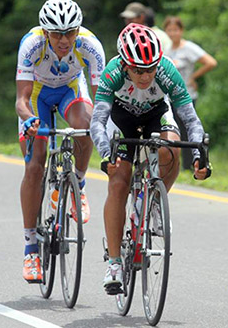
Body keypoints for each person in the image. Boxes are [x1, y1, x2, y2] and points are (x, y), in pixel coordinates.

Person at [90, 23, 210, 294]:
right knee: (119, 181)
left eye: (150, 69)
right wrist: (106, 152)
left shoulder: (167, 71)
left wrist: (200, 157)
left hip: (156, 113)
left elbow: (190, 119)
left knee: (171, 148)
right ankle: (114, 262)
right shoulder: (112, 74)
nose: (145, 76)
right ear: (124, 65)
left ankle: (154, 200)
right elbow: (97, 121)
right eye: (137, 71)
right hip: (121, 119)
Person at [15, 0, 105, 283]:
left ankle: (77, 183)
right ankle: (31, 248)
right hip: (38, 98)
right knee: (34, 165)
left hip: (70, 90)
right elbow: (21, 100)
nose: (64, 40)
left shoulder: (90, 45)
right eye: (57, 34)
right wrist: (29, 120)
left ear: (78, 31)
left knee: (87, 124)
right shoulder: (31, 44)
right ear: (46, 32)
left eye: (70, 32)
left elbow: (102, 99)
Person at [163, 16, 217, 169]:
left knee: (188, 129)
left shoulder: (189, 48)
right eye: (169, 30)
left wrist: (194, 76)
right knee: (173, 129)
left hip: (186, 95)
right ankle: (174, 164)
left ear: (181, 31)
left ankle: (191, 164)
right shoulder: (167, 50)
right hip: (170, 97)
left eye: (176, 30)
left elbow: (211, 62)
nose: (173, 33)